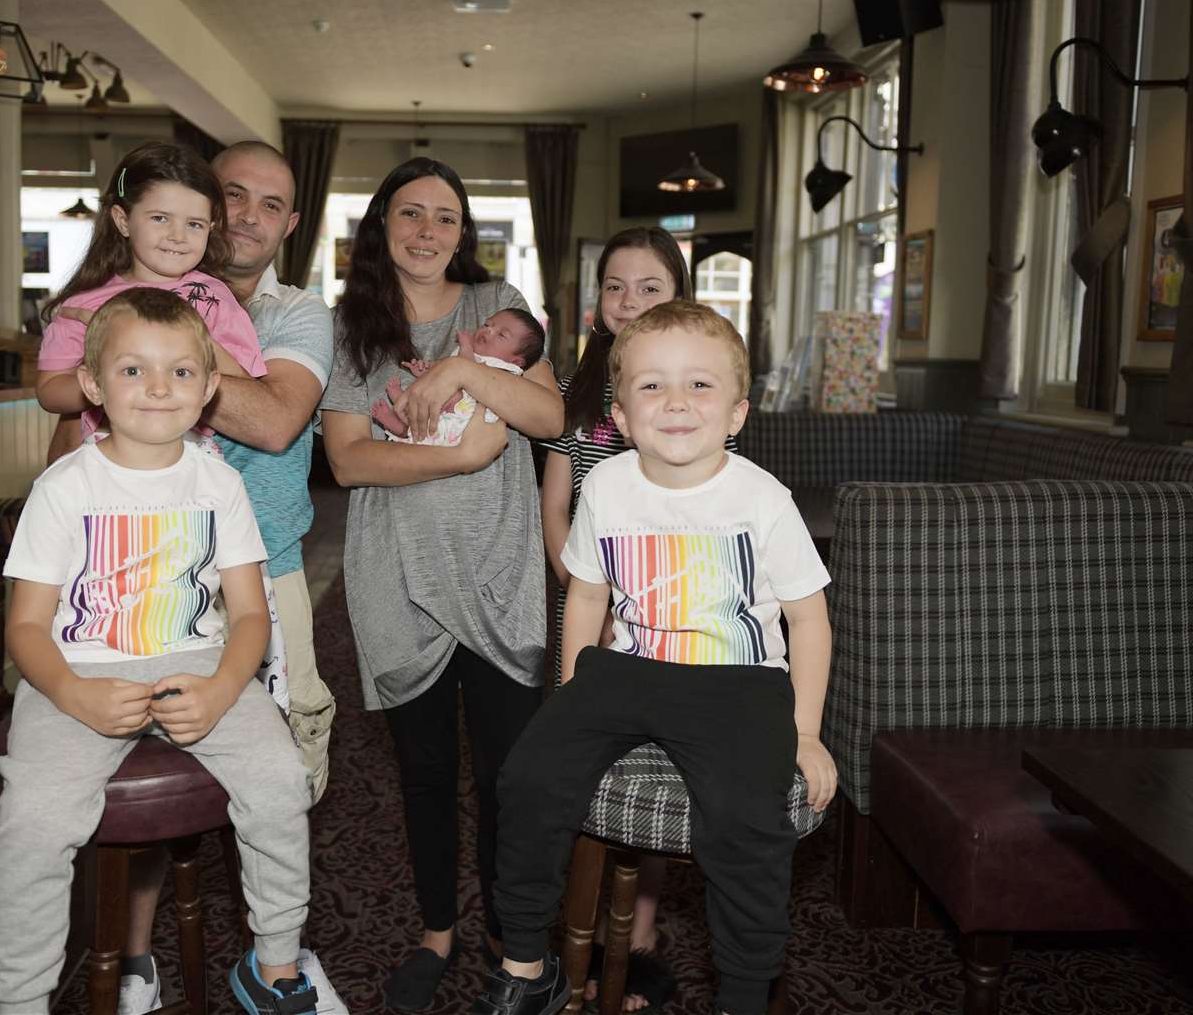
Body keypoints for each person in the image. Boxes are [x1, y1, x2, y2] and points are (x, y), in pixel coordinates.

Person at [472, 301, 837, 1015]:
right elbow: (585, 597)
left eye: (699, 386)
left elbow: (808, 620)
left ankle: (743, 992)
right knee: (529, 774)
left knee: (742, 820)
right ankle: (524, 964)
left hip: (739, 683)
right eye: (651, 386)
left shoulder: (761, 499)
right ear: (621, 413)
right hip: (626, 670)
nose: (675, 401)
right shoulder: (605, 486)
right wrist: (570, 697)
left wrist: (804, 730)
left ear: (736, 412)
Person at [0, 288, 321, 1015]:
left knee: (278, 779)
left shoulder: (219, 484)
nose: (158, 388)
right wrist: (73, 694)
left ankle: (278, 959)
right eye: (133, 371)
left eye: (179, 372)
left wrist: (226, 686)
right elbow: (26, 630)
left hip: (197, 663)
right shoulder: (63, 487)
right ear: (94, 385)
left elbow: (250, 616)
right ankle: (20, 999)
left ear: (207, 389)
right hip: (76, 670)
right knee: (32, 823)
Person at [318, 156, 563, 1012]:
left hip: (497, 571)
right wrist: (456, 453)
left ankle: (507, 930)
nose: (428, 232)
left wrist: (461, 372)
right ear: (381, 224)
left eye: (446, 218)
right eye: (411, 214)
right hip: (398, 577)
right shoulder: (352, 326)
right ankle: (435, 931)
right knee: (422, 774)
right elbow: (347, 461)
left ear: (465, 233)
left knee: (507, 774)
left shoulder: (494, 306)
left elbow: (548, 417)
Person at [115, 141, 347, 1015]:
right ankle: (134, 957)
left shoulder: (298, 314)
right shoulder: (135, 294)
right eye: (232, 195)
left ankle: (272, 958)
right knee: (139, 751)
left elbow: (280, 418)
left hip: (270, 568)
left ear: (291, 222)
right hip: (147, 573)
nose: (248, 215)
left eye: (271, 203)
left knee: (282, 768)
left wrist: (152, 363)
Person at [535, 227, 725, 1013]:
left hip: (666, 618)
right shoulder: (575, 398)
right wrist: (587, 595)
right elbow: (553, 509)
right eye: (615, 286)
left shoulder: (696, 391)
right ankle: (573, 928)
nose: (629, 301)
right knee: (577, 767)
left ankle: (638, 939)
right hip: (583, 611)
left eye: (649, 287)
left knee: (653, 771)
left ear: (677, 294)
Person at [34, 141, 265, 455]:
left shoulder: (213, 298)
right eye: (160, 218)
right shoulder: (84, 306)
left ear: (210, 229)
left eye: (194, 224)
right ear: (123, 220)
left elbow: (245, 377)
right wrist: (106, 385)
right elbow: (49, 391)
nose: (177, 236)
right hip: (106, 459)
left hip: (191, 457)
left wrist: (190, 339)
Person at [372, 308, 546, 445]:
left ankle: (399, 413)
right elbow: (445, 373)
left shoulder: (505, 369)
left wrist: (465, 348)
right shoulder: (467, 353)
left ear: (516, 361)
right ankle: (399, 419)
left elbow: (467, 370)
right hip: (447, 413)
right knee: (425, 402)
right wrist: (425, 371)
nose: (489, 331)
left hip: (466, 418)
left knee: (445, 398)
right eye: (487, 324)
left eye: (501, 335)